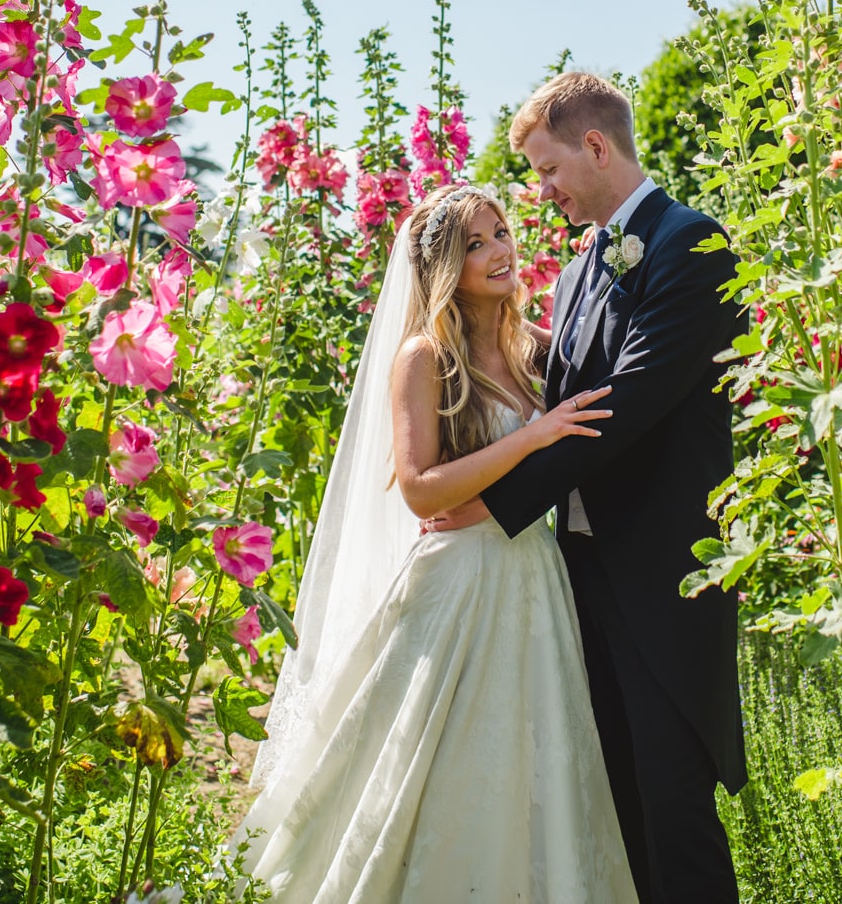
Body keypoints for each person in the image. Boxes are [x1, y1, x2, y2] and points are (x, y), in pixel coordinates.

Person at [236, 184, 640, 902]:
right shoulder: (423, 358)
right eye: (476, 243)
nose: (500, 251)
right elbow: (422, 488)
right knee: (439, 760)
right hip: (457, 585)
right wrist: (537, 436)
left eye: (503, 233)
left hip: (533, 576)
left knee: (537, 753)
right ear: (446, 266)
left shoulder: (529, 350)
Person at [425, 71, 746, 904]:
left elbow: (622, 408)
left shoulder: (692, 246)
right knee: (615, 808)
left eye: (546, 168)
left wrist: (488, 506)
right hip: (575, 582)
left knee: (677, 812)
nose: (544, 191)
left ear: (596, 146)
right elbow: (548, 401)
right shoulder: (573, 276)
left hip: (664, 578)